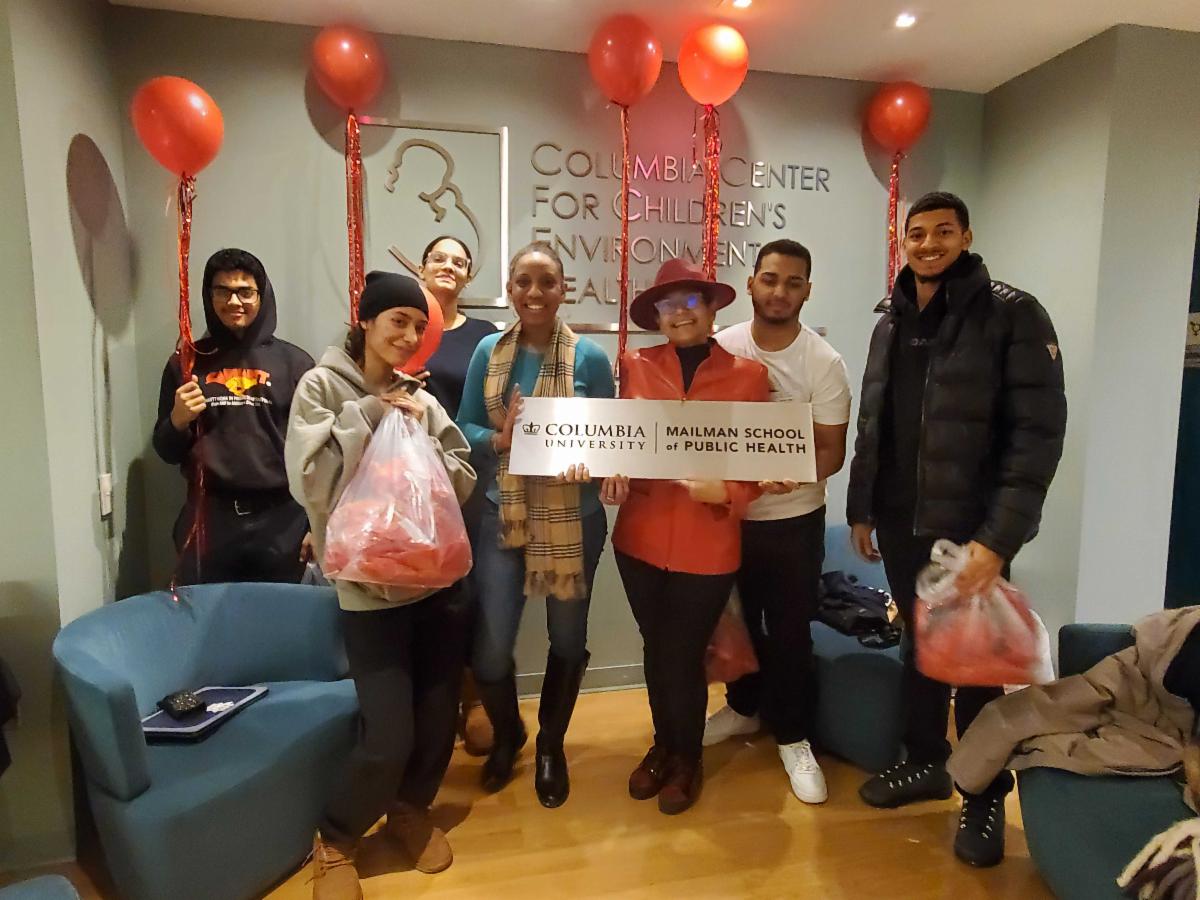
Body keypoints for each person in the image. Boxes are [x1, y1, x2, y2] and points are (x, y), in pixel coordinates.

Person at [846, 191, 1067, 867]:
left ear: (966, 237)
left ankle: (983, 793)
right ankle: (926, 763)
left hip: (969, 530)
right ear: (904, 242)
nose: (929, 243)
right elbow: (875, 423)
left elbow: (1037, 437)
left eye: (944, 231)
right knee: (920, 648)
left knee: (976, 668)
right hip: (900, 520)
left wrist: (998, 541)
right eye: (917, 233)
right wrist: (861, 506)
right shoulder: (889, 319)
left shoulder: (1013, 313)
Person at [287, 272, 477, 898]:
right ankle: (337, 836)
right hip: (368, 592)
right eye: (398, 320)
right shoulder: (321, 386)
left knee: (436, 719)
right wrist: (370, 413)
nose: (410, 335)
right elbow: (309, 481)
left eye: (419, 326)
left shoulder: (421, 394)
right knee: (388, 733)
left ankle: (409, 809)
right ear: (365, 321)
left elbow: (463, 479)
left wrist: (426, 441)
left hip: (436, 585)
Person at [603, 258, 771, 815]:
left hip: (710, 541)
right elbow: (620, 440)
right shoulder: (634, 365)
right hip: (639, 536)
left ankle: (687, 757)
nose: (679, 312)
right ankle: (663, 745)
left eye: (691, 300)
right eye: (667, 304)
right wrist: (611, 472)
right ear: (655, 316)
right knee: (658, 648)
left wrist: (728, 492)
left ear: (712, 307)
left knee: (682, 652)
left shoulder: (750, 376)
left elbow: (766, 463)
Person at [456, 241, 615, 808]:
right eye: (523, 281)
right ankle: (510, 736)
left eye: (547, 281)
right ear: (509, 289)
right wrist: (497, 440)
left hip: (575, 518)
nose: (535, 292)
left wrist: (594, 462)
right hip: (503, 514)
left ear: (563, 289)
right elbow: (463, 426)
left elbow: (608, 438)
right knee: (490, 652)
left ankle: (551, 744)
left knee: (567, 639)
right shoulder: (488, 351)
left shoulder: (590, 358)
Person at [704, 239, 852, 805]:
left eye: (793, 283)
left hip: (794, 519)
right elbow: (700, 430)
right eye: (769, 279)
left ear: (807, 291)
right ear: (751, 284)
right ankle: (744, 708)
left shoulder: (824, 362)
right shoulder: (722, 346)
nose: (779, 291)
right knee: (734, 621)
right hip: (730, 516)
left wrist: (793, 473)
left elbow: (832, 451)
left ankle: (794, 736)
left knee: (789, 630)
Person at [152, 248, 314, 584]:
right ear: (209, 296)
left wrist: (316, 524)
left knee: (278, 613)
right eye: (223, 291)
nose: (234, 301)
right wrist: (178, 420)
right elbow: (166, 451)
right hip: (210, 519)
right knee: (207, 612)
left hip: (282, 522)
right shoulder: (186, 363)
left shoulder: (296, 364)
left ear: (262, 295)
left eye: (245, 292)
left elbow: (316, 453)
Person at [417, 235, 500, 759]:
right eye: (439, 258)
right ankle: (431, 703)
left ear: (468, 276)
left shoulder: (484, 336)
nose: (449, 266)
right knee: (420, 591)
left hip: (468, 481)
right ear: (422, 268)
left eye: (459, 261)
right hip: (406, 483)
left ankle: (474, 699)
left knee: (471, 591)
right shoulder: (402, 323)